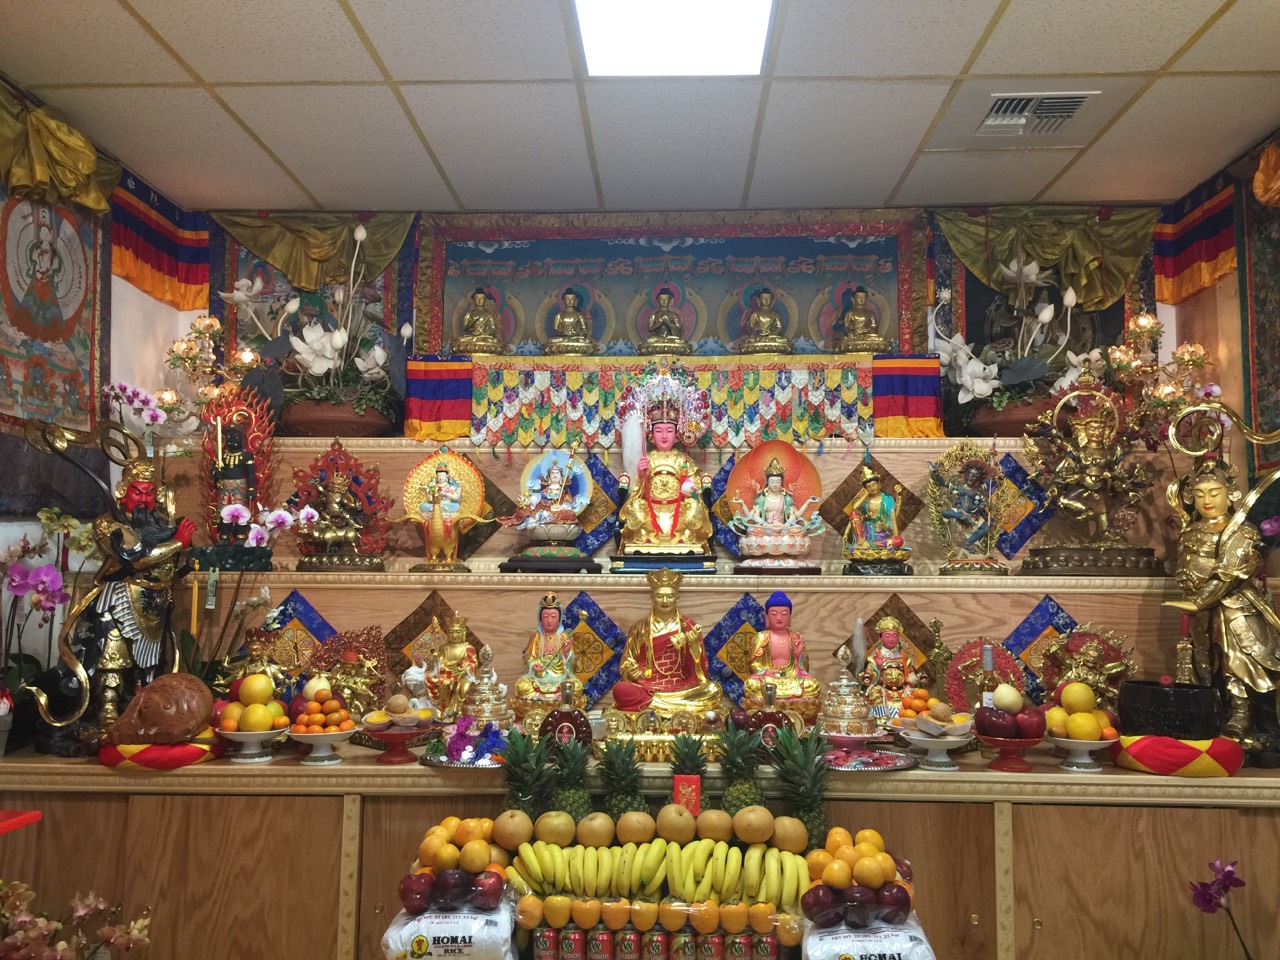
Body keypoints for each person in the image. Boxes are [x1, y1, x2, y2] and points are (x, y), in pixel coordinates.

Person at [1165, 459, 1280, 751]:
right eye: (1200, 494)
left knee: (1237, 660)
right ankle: (1210, 714)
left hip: (1235, 607)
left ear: (1230, 494)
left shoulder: (1241, 532)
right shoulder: (1190, 531)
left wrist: (1200, 601)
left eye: (1214, 493)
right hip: (1200, 614)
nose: (1207, 500)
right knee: (1205, 664)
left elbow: (1229, 573)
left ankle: (1242, 716)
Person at [612, 568, 721, 715]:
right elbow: (626, 663)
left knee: (714, 690)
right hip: (647, 686)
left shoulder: (688, 626)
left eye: (669, 596)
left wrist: (694, 645)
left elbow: (701, 672)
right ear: (652, 598)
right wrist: (631, 671)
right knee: (620, 690)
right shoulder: (640, 627)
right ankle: (672, 706)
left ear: (677, 598)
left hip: (681, 687)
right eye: (659, 596)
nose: (665, 601)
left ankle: (654, 704)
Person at [616, 403, 713, 556]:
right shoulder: (647, 458)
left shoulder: (684, 459)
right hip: (651, 511)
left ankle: (684, 536)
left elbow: (695, 485)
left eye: (669, 431)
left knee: (695, 507)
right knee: (634, 506)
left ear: (677, 435)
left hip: (678, 511)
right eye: (658, 431)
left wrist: (689, 488)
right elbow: (637, 491)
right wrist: (640, 475)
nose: (664, 436)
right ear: (651, 435)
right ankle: (645, 536)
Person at [741, 592, 821, 722]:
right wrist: (766, 672)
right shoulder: (761, 637)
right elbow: (753, 664)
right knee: (752, 684)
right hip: (769, 680)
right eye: (774, 614)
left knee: (812, 684)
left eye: (784, 614)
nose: (779, 618)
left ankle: (778, 708)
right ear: (767, 617)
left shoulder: (796, 637)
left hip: (791, 678)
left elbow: (804, 669)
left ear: (789, 618)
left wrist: (798, 655)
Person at [513, 593, 585, 721]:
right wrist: (533, 665)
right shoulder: (536, 636)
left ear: (560, 618)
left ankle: (545, 705)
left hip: (560, 677)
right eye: (545, 616)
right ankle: (551, 704)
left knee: (576, 686)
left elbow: (573, 665)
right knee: (522, 686)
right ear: (540, 619)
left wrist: (567, 654)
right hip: (539, 677)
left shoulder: (564, 637)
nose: (549, 621)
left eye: (553, 616)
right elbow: (528, 657)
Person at [859, 616, 918, 713]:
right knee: (874, 693)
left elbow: (910, 675)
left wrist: (912, 679)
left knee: (914, 698)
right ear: (881, 638)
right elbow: (869, 679)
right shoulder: (874, 659)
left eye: (894, 636)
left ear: (898, 638)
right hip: (883, 693)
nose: (891, 639)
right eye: (887, 636)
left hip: (902, 693)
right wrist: (877, 668)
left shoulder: (905, 659)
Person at [734, 287, 792, 355]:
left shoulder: (775, 314)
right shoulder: (756, 314)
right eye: (764, 298)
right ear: (759, 300)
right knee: (747, 341)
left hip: (771, 338)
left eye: (768, 299)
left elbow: (779, 327)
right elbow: (751, 327)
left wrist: (772, 333)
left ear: (772, 301)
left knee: (784, 341)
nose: (766, 300)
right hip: (758, 337)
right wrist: (756, 331)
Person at [831, 286, 889, 353]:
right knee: (843, 340)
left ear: (866, 299)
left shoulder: (870, 314)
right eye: (859, 297)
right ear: (853, 299)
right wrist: (850, 333)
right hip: (854, 337)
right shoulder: (850, 313)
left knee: (881, 339)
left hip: (867, 337)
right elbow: (847, 326)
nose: (861, 299)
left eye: (863, 297)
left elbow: (874, 327)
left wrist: (871, 332)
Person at [545, 286, 599, 355]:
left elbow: (584, 331)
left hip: (576, 339)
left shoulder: (579, 315)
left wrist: (575, 334)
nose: (570, 301)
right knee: (551, 341)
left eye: (572, 299)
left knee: (586, 341)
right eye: (567, 299)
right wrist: (564, 333)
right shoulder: (559, 315)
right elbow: (556, 330)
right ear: (563, 300)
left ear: (575, 301)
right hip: (562, 339)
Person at [638, 287, 692, 355]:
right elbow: (650, 329)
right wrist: (659, 323)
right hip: (658, 338)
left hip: (671, 339)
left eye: (666, 299)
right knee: (647, 341)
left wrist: (668, 322)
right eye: (661, 299)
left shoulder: (673, 315)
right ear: (658, 301)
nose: (664, 301)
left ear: (670, 301)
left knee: (682, 341)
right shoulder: (654, 315)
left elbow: (678, 328)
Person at [456, 286, 506, 355]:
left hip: (485, 338)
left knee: (496, 343)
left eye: (482, 299)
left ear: (485, 300)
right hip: (472, 338)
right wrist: (473, 321)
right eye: (477, 299)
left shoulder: (489, 314)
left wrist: (484, 333)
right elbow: (465, 328)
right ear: (473, 300)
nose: (479, 301)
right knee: (460, 341)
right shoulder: (470, 314)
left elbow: (492, 329)